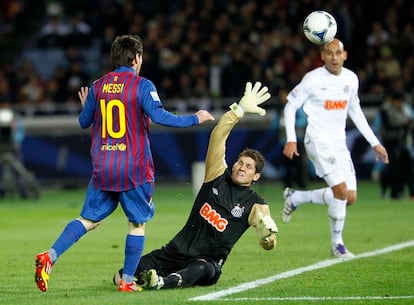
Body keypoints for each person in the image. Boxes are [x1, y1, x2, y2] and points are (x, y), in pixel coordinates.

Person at [34, 34, 215, 293]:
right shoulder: (142, 85)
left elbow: (84, 122)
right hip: (133, 168)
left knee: (89, 220)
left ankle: (49, 256)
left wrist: (88, 106)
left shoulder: (98, 86)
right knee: (137, 223)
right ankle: (127, 282)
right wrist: (195, 118)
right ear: (137, 58)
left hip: (103, 166)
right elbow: (159, 115)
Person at [112, 81, 278, 290]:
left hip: (207, 262)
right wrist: (240, 110)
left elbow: (268, 243)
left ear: (256, 176)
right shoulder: (217, 174)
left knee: (200, 269)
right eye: (240, 162)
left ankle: (164, 282)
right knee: (120, 276)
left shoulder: (256, 205)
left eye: (248, 167)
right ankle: (155, 277)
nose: (241, 168)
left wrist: (267, 239)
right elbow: (218, 135)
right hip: (174, 252)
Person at [281, 38, 389, 258]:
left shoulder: (351, 79)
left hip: (339, 143)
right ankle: (337, 245)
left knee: (349, 197)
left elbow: (355, 111)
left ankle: (296, 198)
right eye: (329, 53)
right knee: (339, 191)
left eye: (337, 53)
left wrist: (375, 142)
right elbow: (290, 105)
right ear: (322, 56)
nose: (334, 58)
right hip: (318, 141)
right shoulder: (312, 79)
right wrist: (291, 138)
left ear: (345, 55)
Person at [378, 91, 414, 199]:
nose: (400, 103)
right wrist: (403, 126)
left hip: (402, 141)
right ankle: (394, 191)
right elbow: (387, 126)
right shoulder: (385, 110)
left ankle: (410, 192)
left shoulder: (404, 110)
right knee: (394, 168)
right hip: (390, 142)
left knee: (407, 166)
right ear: (393, 101)